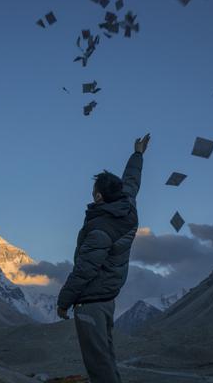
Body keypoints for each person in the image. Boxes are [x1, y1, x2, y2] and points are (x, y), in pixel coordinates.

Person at [57, 133, 151, 383]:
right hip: (108, 298)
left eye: (93, 191)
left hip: (92, 301)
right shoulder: (127, 206)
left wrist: (63, 301)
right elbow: (132, 181)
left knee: (99, 365)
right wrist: (138, 154)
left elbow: (84, 270)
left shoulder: (100, 229)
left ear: (98, 196)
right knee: (106, 359)